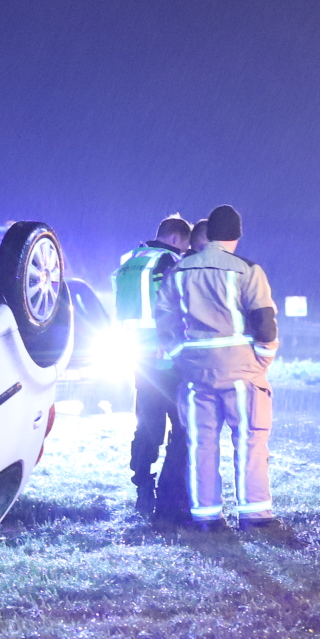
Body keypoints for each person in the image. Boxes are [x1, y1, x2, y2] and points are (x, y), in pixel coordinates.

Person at [161, 203, 279, 528]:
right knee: (250, 441)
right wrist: (263, 359)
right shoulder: (248, 270)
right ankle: (255, 515)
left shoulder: (180, 270)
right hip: (242, 371)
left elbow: (164, 322)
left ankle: (206, 518)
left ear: (209, 234)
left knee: (201, 443)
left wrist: (179, 354)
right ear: (237, 236)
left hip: (194, 372)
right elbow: (265, 323)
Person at [114, 214, 194, 517]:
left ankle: (143, 488)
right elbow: (173, 306)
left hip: (138, 358)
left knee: (146, 425)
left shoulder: (129, 260)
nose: (184, 252)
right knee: (183, 427)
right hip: (167, 359)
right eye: (184, 246)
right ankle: (171, 493)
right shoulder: (167, 261)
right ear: (176, 238)